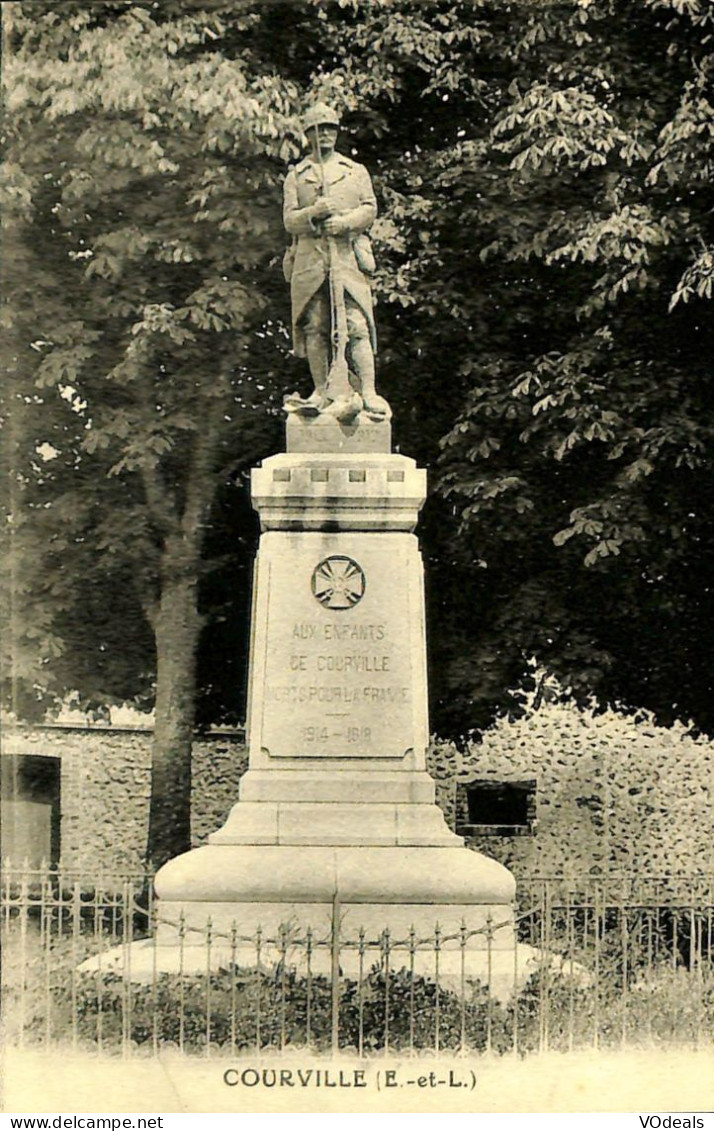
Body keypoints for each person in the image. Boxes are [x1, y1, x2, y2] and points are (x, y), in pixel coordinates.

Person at [282, 103, 389, 419]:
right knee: (315, 325)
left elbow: (369, 209)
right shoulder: (297, 175)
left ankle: (368, 391)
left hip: (346, 260)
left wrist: (344, 223)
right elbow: (289, 221)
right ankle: (321, 390)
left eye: (331, 127)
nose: (326, 133)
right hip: (311, 262)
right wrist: (314, 213)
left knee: (355, 324)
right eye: (319, 128)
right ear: (309, 134)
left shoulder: (354, 171)